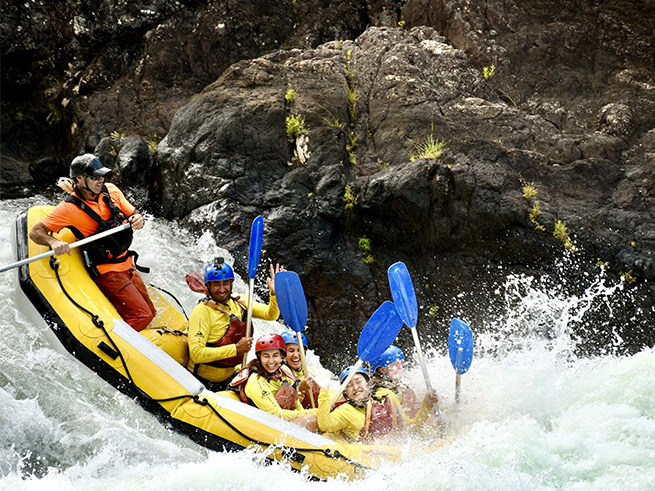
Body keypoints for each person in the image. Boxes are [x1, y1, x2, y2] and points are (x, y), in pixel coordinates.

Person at [29, 154, 156, 331]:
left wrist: (138, 220)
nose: (101, 179)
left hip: (127, 263)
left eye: (102, 175)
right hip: (106, 270)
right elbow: (36, 232)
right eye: (95, 177)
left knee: (151, 312)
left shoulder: (111, 190)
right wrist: (53, 242)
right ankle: (114, 342)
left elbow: (133, 213)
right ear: (80, 179)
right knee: (143, 315)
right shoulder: (68, 209)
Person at [187, 257, 282, 392]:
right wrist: (236, 349)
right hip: (202, 381)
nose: (222, 289)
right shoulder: (202, 312)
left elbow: (270, 315)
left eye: (225, 283)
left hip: (229, 378)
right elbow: (196, 354)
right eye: (216, 284)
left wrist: (274, 293)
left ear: (231, 283)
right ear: (208, 286)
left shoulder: (240, 302)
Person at [317, 364, 439, 442]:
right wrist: (324, 390)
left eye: (358, 382)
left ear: (368, 384)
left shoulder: (386, 401)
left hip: (390, 453)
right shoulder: (346, 411)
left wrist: (426, 405)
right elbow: (325, 425)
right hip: (362, 457)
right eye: (349, 385)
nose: (355, 388)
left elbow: (411, 428)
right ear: (345, 393)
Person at [231, 333, 317, 431]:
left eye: (275, 356)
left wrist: (307, 412)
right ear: (259, 356)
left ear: (282, 356)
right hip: (263, 425)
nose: (271, 361)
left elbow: (295, 403)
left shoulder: (284, 373)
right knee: (311, 419)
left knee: (313, 418)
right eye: (266, 356)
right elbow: (275, 414)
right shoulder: (256, 380)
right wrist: (309, 413)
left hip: (279, 422)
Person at [369, 345, 420, 418]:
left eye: (400, 364)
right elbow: (406, 422)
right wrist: (427, 405)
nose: (401, 368)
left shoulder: (397, 386)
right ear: (382, 370)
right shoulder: (383, 394)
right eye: (396, 365)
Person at [280, 330, 320, 409]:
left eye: (299, 350)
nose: (296, 355)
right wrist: (300, 390)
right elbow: (286, 405)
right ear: (283, 354)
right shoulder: (282, 372)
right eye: (291, 351)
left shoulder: (308, 370)